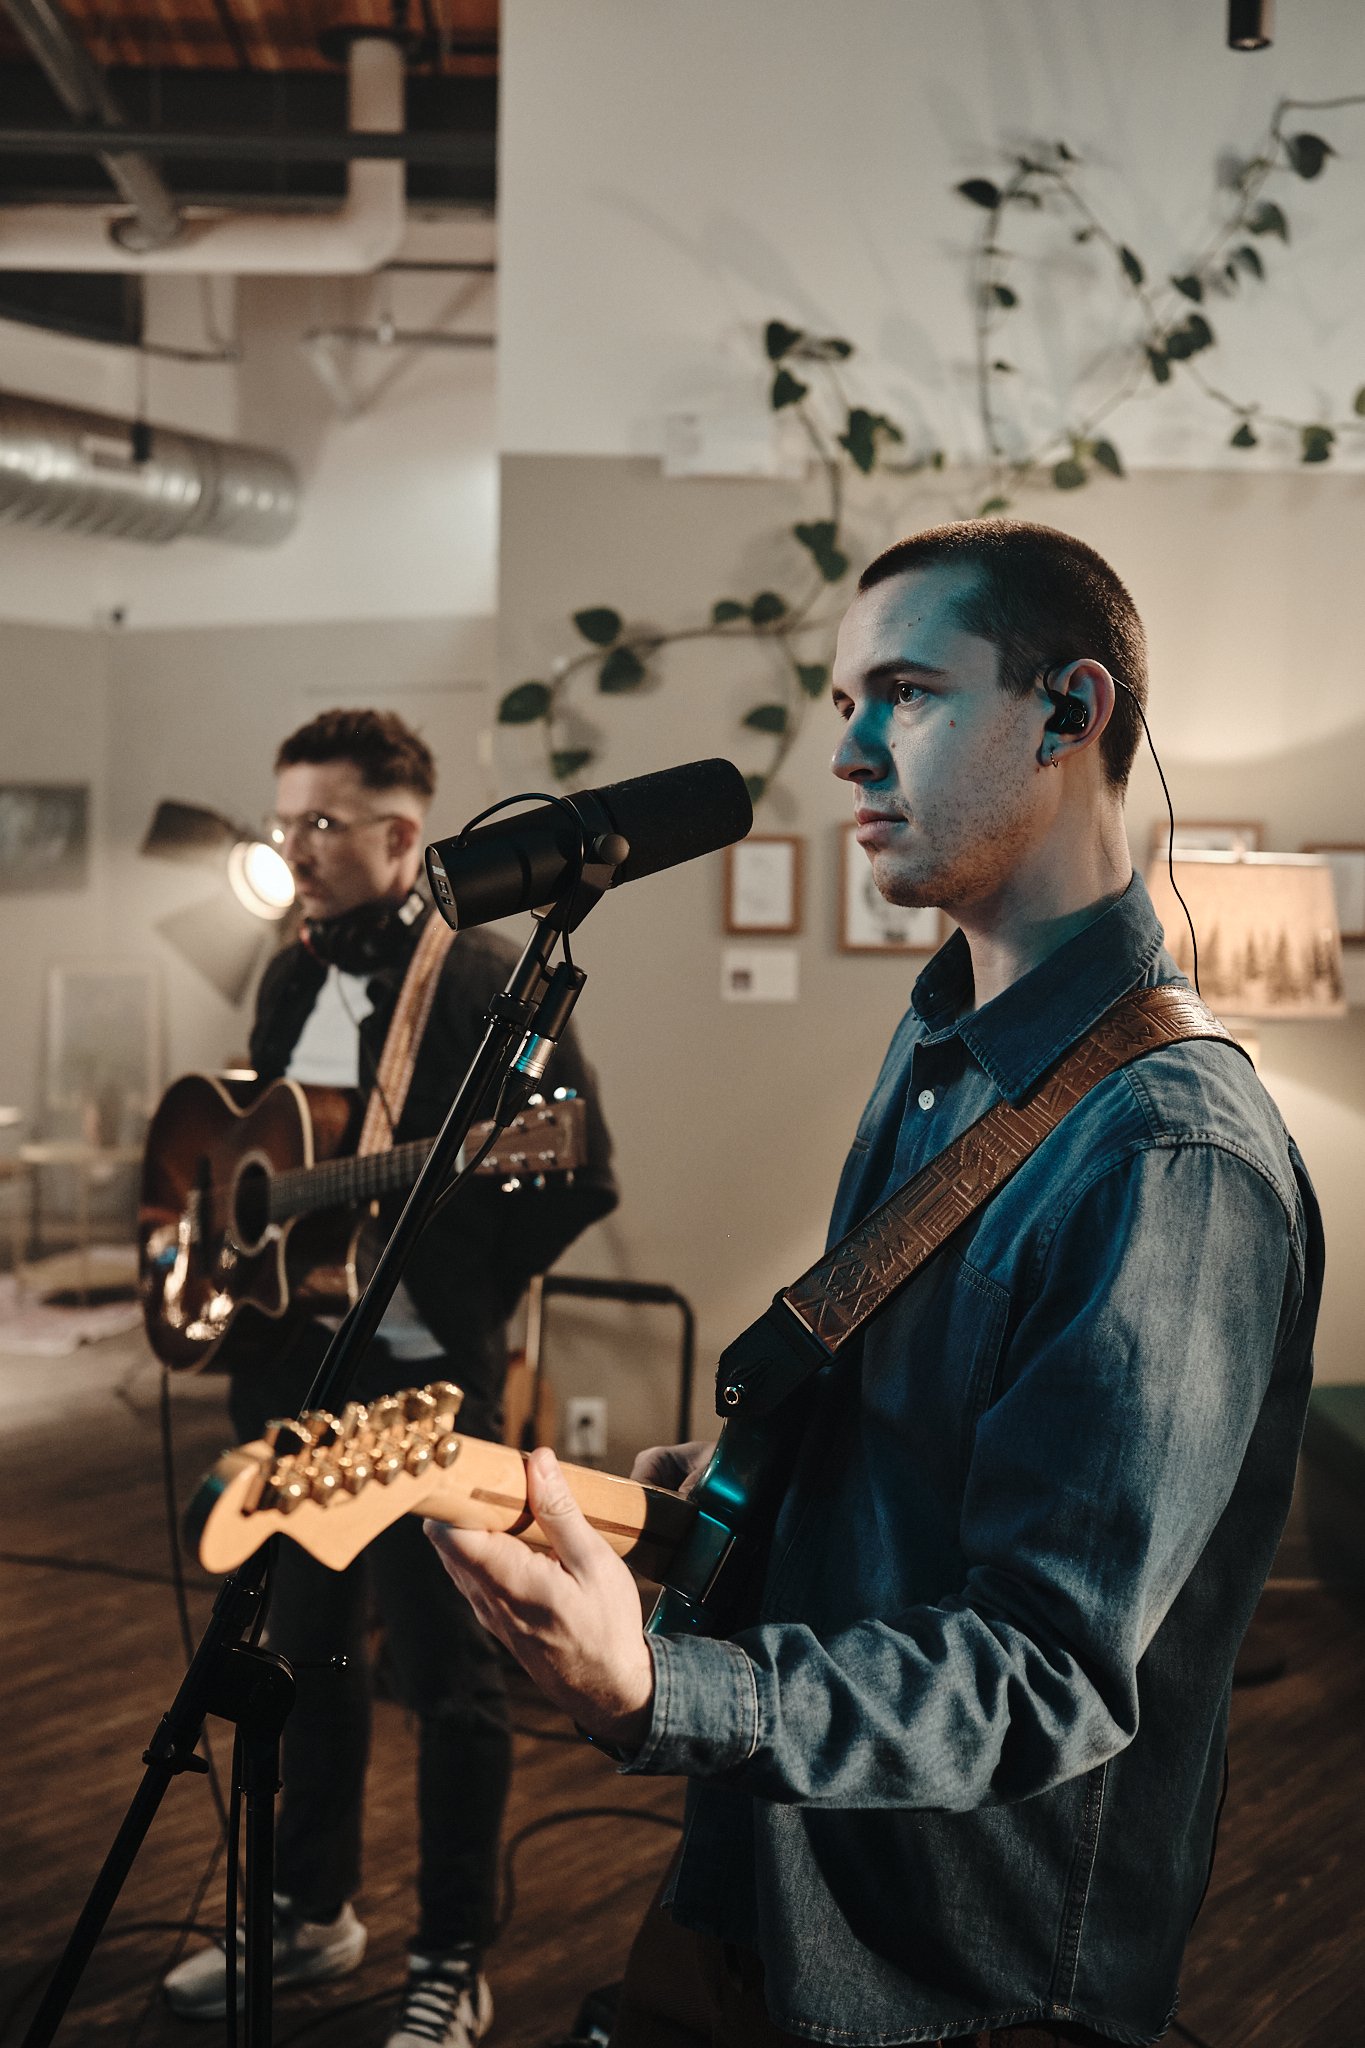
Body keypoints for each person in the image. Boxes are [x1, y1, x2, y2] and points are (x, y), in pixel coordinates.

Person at [426, 522, 1324, 2048]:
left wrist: (658, 1692)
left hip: (956, 1980)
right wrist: (756, 1489)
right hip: (777, 1886)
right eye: (840, 701)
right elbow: (935, 1465)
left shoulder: (1170, 1159)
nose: (842, 751)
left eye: (899, 692)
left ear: (1066, 711)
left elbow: (1046, 1668)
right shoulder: (940, 1050)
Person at [164, 709, 617, 2048]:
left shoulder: (477, 977)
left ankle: (448, 1955)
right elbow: (259, 1140)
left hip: (429, 1394)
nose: (292, 846)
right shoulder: (287, 974)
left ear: (401, 834)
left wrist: (443, 1269)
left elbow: (574, 1168)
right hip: (304, 1372)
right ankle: (311, 1913)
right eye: (285, 818)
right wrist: (260, 1242)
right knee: (301, 1661)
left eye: (318, 822)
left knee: (449, 1679)